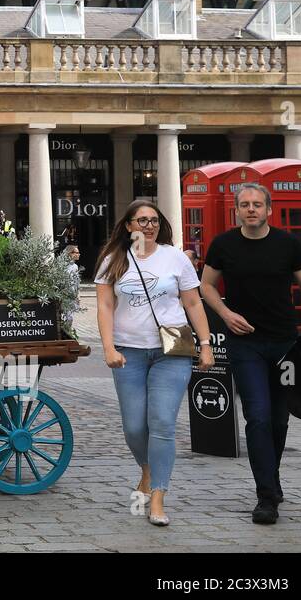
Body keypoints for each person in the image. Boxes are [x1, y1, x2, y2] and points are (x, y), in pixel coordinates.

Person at [200, 183, 301, 525]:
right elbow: (206, 285)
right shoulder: (223, 245)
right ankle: (266, 496)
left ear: (268, 209)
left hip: (285, 343)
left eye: (257, 204)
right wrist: (226, 315)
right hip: (246, 344)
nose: (250, 209)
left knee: (279, 419)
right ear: (237, 210)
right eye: (244, 204)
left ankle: (272, 477)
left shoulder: (288, 244)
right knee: (257, 416)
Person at [95, 200, 214, 526]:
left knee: (161, 422)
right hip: (129, 351)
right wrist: (108, 348)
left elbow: (192, 301)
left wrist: (205, 344)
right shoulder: (114, 259)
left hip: (172, 349)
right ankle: (147, 470)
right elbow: (105, 306)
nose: (149, 225)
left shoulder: (175, 257)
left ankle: (158, 497)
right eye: (142, 220)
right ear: (129, 225)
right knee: (134, 426)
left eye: (154, 220)